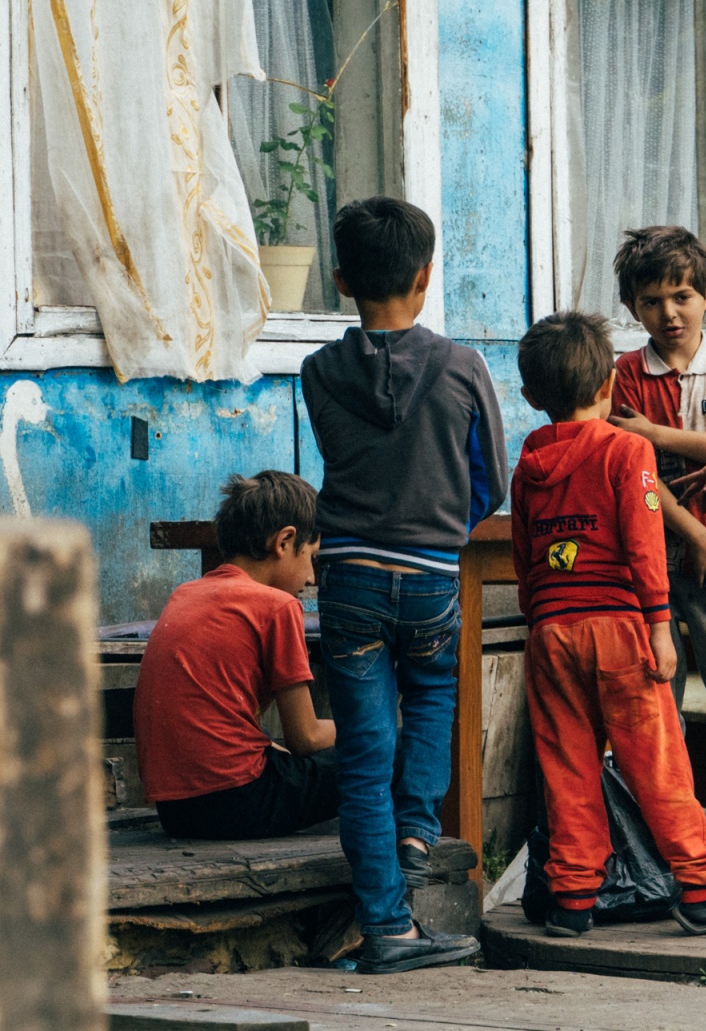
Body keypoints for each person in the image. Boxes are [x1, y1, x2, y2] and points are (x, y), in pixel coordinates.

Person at [299, 196, 509, 974]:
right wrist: (449, 521)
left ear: (342, 277)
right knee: (430, 695)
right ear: (426, 276)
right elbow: (492, 477)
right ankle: (418, 830)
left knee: (362, 751)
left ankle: (386, 928)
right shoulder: (460, 365)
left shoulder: (317, 370)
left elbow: (340, 454)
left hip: (347, 572)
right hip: (427, 574)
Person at [512, 310, 706, 938]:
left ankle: (574, 900)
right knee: (655, 763)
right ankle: (700, 888)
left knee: (567, 768)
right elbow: (643, 545)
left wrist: (541, 621)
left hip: (551, 631)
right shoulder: (627, 448)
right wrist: (661, 629)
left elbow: (527, 561)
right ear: (610, 385)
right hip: (621, 628)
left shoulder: (528, 466)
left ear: (532, 398)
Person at [607, 225, 706, 792]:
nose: (669, 313)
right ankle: (667, 834)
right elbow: (635, 474)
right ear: (632, 307)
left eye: (682, 297)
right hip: (648, 562)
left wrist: (656, 434)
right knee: (656, 696)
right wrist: (696, 533)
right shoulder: (622, 375)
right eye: (651, 301)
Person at [136, 471, 338, 841]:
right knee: (395, 748)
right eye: (311, 557)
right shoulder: (277, 605)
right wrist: (375, 727)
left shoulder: (185, 594)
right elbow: (306, 738)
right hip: (240, 801)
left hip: (176, 811)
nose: (312, 578)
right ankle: (403, 855)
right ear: (285, 541)